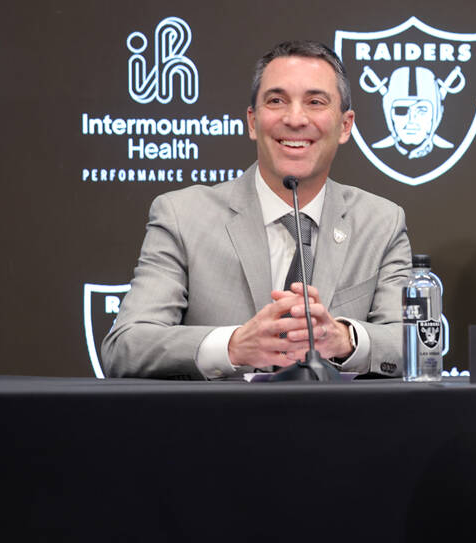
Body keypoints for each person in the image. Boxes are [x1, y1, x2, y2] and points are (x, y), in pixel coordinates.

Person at [102, 41, 411, 379]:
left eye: (315, 102)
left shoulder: (381, 223)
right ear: (252, 121)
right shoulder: (182, 216)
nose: (295, 119)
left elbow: (417, 345)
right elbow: (126, 346)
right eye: (276, 101)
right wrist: (233, 346)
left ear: (345, 125)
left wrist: (344, 340)